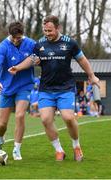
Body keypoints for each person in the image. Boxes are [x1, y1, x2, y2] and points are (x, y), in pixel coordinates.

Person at [8, 15, 100, 162]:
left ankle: (76, 147)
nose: (47, 33)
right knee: (45, 119)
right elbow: (31, 59)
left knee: (68, 118)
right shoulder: (39, 44)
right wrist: (17, 68)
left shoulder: (70, 43)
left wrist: (92, 75)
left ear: (58, 28)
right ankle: (59, 150)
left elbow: (82, 59)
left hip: (66, 87)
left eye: (50, 30)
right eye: (45, 30)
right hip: (46, 89)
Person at [0, 21, 37, 160]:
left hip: (25, 85)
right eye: (14, 38)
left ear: (23, 35)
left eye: (19, 38)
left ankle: (17, 149)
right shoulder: (2, 47)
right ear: (9, 35)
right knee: (1, 124)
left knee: (20, 115)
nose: (17, 41)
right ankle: (1, 138)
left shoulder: (31, 44)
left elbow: (40, 55)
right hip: (6, 87)